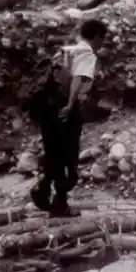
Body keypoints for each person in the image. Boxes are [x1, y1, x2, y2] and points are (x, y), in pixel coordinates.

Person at [29, 18, 108, 218]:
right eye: (102, 39)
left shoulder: (65, 51)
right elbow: (77, 79)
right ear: (97, 37)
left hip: (46, 109)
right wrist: (70, 105)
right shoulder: (86, 52)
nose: (102, 44)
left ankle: (44, 187)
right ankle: (60, 203)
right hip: (65, 109)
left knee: (53, 152)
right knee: (69, 156)